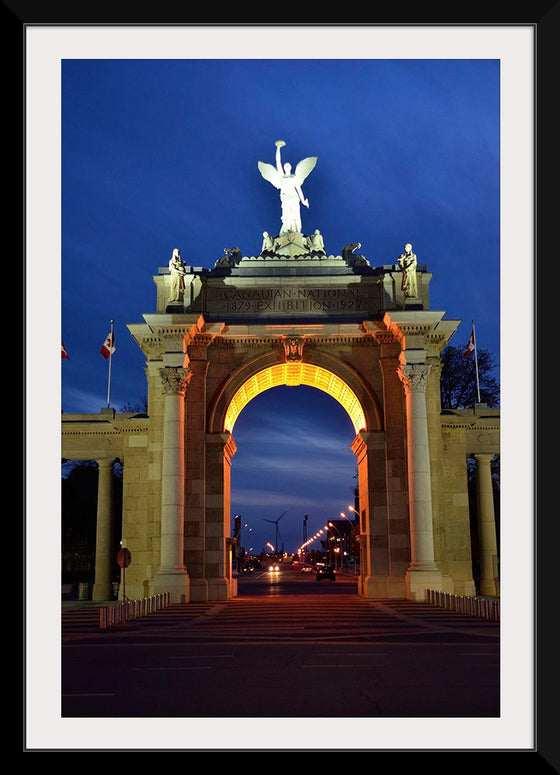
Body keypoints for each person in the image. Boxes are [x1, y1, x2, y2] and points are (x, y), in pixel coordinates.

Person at [258, 140, 317, 235]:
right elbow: (278, 162)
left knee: (295, 215)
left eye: (288, 165)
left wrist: (303, 200)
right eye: (285, 166)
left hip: (294, 197)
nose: (287, 166)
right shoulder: (281, 177)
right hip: (286, 197)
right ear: (284, 168)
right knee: (287, 215)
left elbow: (298, 189)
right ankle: (288, 230)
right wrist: (278, 148)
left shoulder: (294, 177)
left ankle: (295, 230)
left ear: (291, 167)